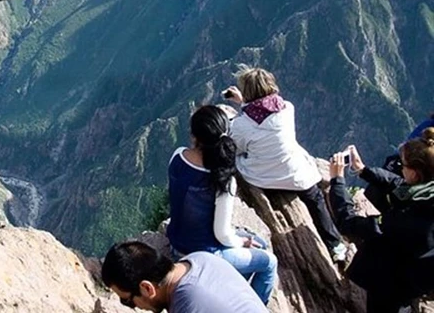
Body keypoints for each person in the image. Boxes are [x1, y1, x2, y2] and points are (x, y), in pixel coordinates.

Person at [223, 66, 348, 262]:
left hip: (263, 178)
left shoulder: (241, 125)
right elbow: (263, 112)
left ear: (247, 93)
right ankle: (335, 245)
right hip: (296, 175)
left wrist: (241, 108)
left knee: (236, 156)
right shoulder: (287, 109)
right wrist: (245, 103)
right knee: (316, 200)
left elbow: (237, 146)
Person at [166, 105, 277, 303]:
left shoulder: (178, 156)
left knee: (249, 240)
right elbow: (222, 234)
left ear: (194, 136)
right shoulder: (222, 180)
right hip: (206, 255)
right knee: (267, 258)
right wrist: (242, 242)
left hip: (176, 244)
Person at [329, 131, 434, 312]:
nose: (400, 168)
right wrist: (363, 170)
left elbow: (349, 222)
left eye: (403, 164)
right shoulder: (427, 190)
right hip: (421, 270)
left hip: (394, 280)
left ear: (415, 174)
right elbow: (400, 184)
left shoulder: (403, 222)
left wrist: (337, 181)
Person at [101, 240, 267, 312]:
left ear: (146, 287)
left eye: (127, 300)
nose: (134, 307)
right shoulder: (197, 259)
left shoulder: (188, 304)